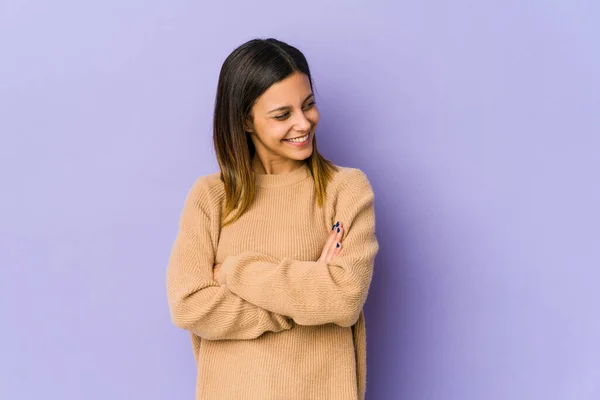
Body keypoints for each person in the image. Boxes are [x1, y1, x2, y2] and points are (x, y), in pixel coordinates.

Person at [166, 37, 379, 400]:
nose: (304, 122)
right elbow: (190, 305)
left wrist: (235, 272)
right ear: (246, 121)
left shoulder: (347, 189)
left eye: (309, 105)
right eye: (283, 114)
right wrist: (306, 299)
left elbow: (344, 298)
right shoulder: (211, 197)